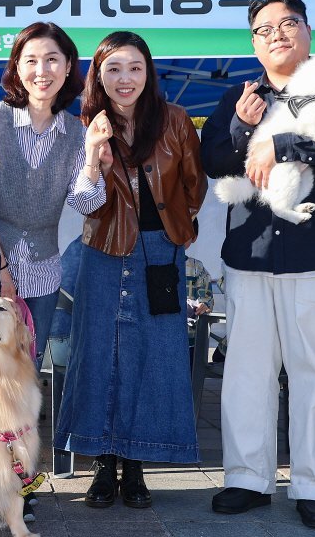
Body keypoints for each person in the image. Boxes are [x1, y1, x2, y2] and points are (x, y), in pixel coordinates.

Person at [199, 0, 315, 529]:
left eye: (289, 23)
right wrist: (240, 127)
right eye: (265, 28)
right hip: (251, 254)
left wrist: (281, 147)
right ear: (253, 42)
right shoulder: (241, 93)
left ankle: (313, 485)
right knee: (247, 370)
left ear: (308, 32)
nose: (278, 34)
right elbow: (212, 161)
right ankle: (247, 478)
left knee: (313, 371)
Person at [53, 31, 206, 510]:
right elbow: (83, 202)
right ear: (98, 75)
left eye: (135, 68)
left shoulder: (176, 121)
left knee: (155, 356)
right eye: (114, 68)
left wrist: (170, 226)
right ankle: (101, 464)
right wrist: (94, 158)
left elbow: (194, 187)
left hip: (162, 252)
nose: (125, 78)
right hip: (102, 249)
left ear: (148, 73)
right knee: (98, 354)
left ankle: (136, 466)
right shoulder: (82, 125)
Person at [0, 22, 86, 523]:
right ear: (16, 66)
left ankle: (21, 487)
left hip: (45, 270)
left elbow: (85, 201)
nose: (42, 70)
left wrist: (96, 156)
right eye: (31, 59)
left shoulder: (77, 131)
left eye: (53, 59)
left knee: (25, 382)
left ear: (68, 68)